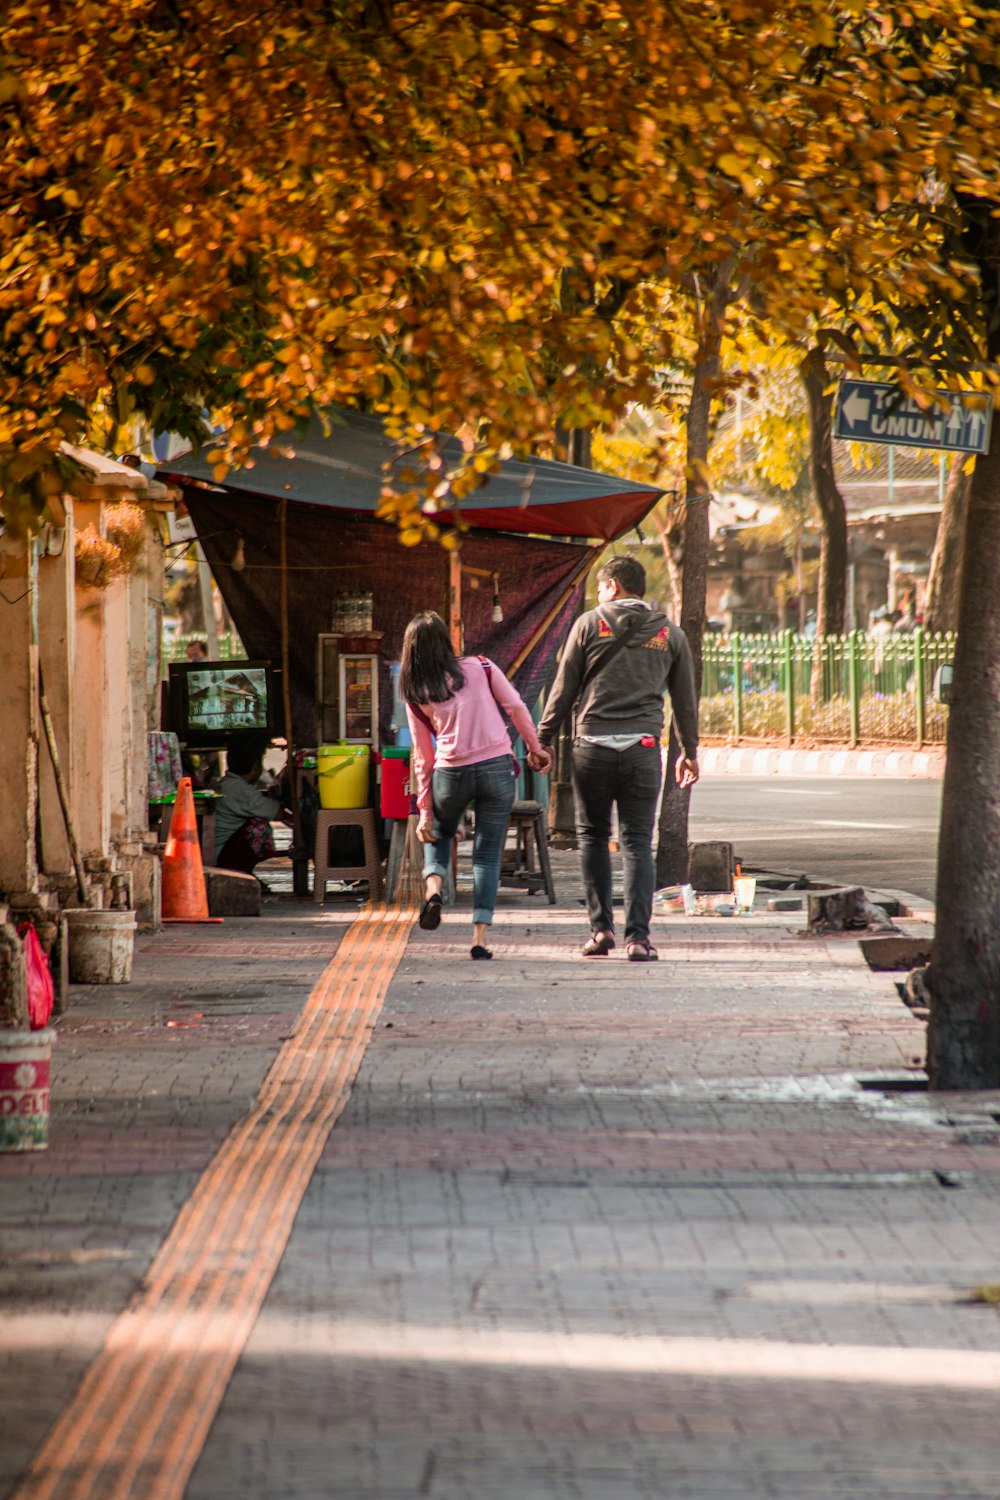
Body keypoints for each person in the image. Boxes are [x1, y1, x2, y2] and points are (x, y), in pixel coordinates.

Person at [537, 555, 699, 962]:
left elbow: (562, 691)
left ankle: (600, 931)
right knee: (638, 844)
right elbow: (685, 702)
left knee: (592, 837)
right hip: (642, 751)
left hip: (591, 747)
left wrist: (541, 741)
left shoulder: (588, 625)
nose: (597, 595)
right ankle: (638, 939)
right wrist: (689, 753)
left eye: (599, 588)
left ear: (612, 586)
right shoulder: (670, 633)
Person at [401, 611, 553, 960]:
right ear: (445, 640)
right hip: (496, 769)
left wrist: (423, 809)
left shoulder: (416, 692)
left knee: (436, 836)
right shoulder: (481, 666)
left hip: (450, 775)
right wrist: (535, 748)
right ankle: (480, 938)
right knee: (486, 855)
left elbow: (423, 755)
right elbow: (515, 707)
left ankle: (434, 891)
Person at [213, 740, 290, 875]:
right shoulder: (240, 789)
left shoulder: (227, 784)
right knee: (259, 826)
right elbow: (277, 813)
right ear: (255, 766)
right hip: (223, 856)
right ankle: (241, 872)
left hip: (220, 849)